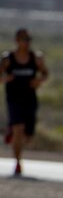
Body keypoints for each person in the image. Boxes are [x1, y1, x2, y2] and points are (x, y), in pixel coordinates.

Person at [2, 28, 49, 176]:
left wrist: (39, 81)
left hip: (30, 99)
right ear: (17, 41)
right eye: (24, 40)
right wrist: (5, 79)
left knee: (28, 135)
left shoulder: (36, 58)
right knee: (18, 130)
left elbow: (45, 73)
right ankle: (17, 163)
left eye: (29, 40)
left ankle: (13, 132)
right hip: (14, 99)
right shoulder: (7, 59)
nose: (27, 43)